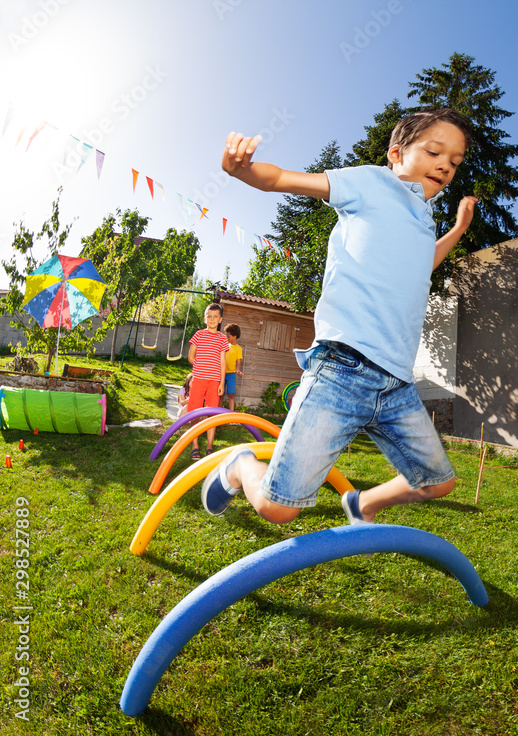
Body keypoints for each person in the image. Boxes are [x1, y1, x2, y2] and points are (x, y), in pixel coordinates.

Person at [202, 108, 477, 526]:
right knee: (278, 508)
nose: (445, 165)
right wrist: (243, 171)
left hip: (396, 384)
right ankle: (242, 466)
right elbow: (282, 179)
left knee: (437, 482)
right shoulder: (371, 183)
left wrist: (457, 229)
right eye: (436, 151)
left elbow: (423, 266)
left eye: (454, 162)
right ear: (396, 153)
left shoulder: (423, 219)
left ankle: (362, 505)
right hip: (342, 369)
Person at [187, 303, 229, 458]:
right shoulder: (198, 335)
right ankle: (195, 446)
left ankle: (209, 447)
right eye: (209, 316)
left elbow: (223, 362)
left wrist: (221, 383)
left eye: (215, 317)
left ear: (220, 319)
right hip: (198, 380)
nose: (212, 319)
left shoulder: (222, 339)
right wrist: (202, 366)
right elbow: (191, 357)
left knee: (212, 414)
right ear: (205, 319)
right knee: (194, 412)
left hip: (214, 382)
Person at [223, 323, 244, 411]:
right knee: (220, 394)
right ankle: (216, 415)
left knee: (230, 394)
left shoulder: (238, 349)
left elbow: (238, 362)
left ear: (234, 336)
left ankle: (231, 414)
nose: (227, 338)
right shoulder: (225, 346)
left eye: (228, 337)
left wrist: (238, 370)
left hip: (231, 374)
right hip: (222, 373)